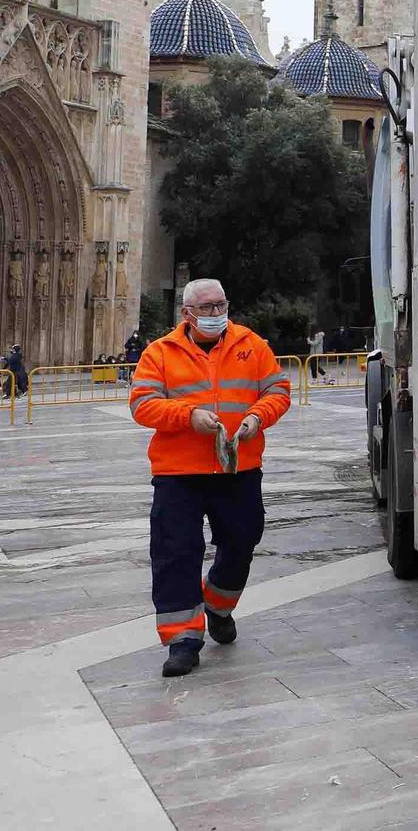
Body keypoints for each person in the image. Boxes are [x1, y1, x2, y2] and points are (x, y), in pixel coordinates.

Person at [128, 279, 292, 678]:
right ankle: (182, 639)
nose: (217, 314)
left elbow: (279, 390)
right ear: (187, 313)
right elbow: (142, 405)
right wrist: (188, 416)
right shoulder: (160, 352)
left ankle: (218, 605)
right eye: (207, 307)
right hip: (178, 473)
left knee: (242, 541)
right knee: (176, 552)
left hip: (237, 467)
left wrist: (256, 417)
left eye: (221, 305)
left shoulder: (251, 345)